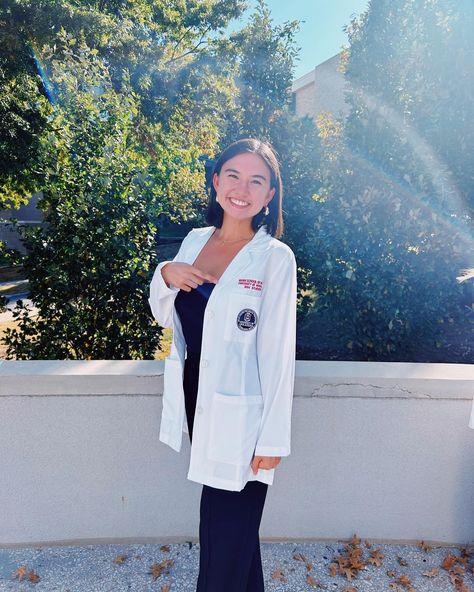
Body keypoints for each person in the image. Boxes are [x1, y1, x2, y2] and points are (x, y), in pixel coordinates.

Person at [148, 138, 297, 591]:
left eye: (257, 181)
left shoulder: (274, 258)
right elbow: (163, 313)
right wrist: (165, 274)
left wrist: (272, 436)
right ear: (216, 182)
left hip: (246, 409)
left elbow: (278, 353)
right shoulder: (194, 241)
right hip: (200, 395)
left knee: (223, 527)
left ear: (269, 196)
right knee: (230, 526)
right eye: (233, 175)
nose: (242, 188)